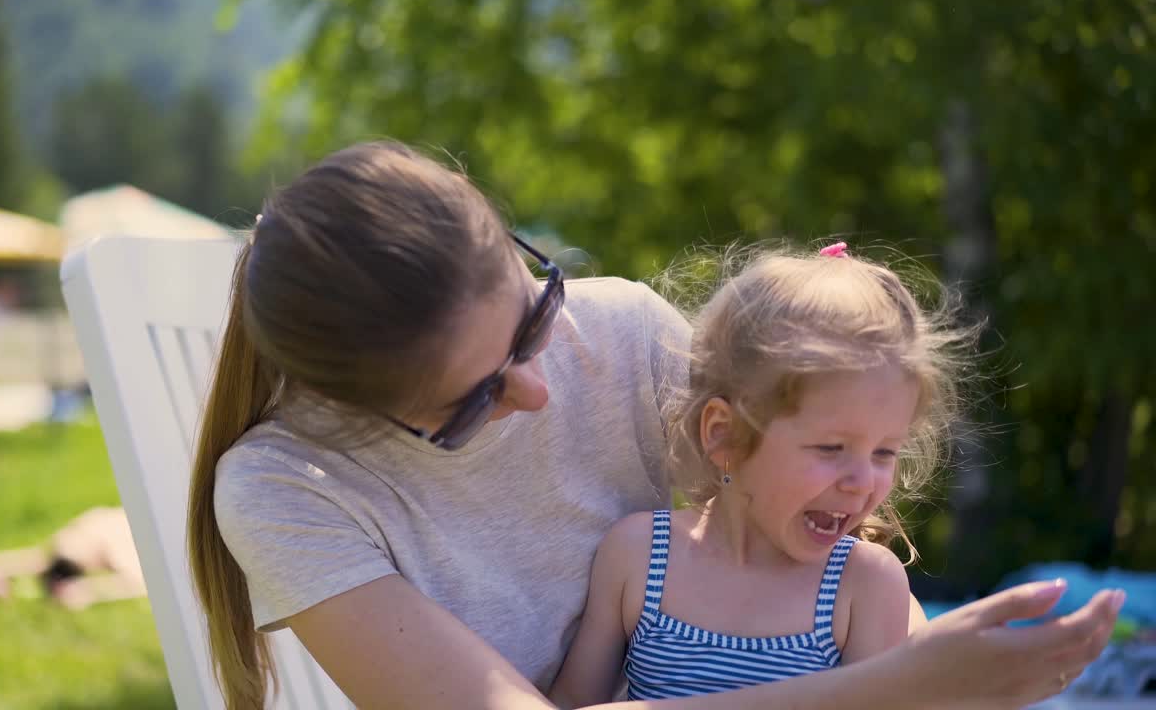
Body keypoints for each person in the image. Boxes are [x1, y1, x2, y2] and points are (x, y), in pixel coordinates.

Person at [187, 141, 1123, 710]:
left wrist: (942, 657)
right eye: (475, 399)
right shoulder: (288, 491)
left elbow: (796, 495)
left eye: (533, 317)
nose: (540, 391)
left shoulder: (620, 332)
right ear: (360, 409)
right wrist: (888, 689)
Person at [549, 241, 967, 705]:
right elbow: (571, 706)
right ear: (724, 435)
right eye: (831, 448)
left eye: (885, 452)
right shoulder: (640, 556)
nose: (863, 481)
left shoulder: (864, 584)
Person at [0, 505, 146, 610]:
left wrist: (91, 591)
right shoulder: (89, 530)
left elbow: (142, 585)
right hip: (90, 537)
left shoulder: (116, 539)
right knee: (60, 555)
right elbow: (41, 558)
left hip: (101, 540)